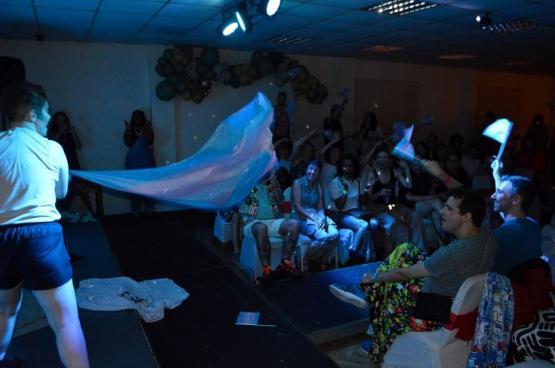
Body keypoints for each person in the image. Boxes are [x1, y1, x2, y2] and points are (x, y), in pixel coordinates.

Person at [331, 163, 495, 365]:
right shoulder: (487, 235)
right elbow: (470, 196)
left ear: (466, 216)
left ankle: (371, 322)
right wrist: (440, 173)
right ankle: (366, 297)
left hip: (433, 308)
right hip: (452, 296)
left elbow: (405, 275)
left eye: (449, 208)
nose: (442, 211)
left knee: (391, 281)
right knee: (406, 250)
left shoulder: (454, 252)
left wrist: (372, 278)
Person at [0, 82, 89, 367]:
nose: (50, 117)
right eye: (46, 111)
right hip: (41, 235)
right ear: (31, 115)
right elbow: (62, 192)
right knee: (65, 322)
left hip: (2, 236)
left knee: (5, 312)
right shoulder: (52, 148)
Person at [239, 173, 300, 287]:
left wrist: (275, 187)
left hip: (272, 221)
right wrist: (254, 189)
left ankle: (285, 264)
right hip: (252, 222)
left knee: (295, 225)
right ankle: (267, 271)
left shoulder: (269, 183)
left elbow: (281, 202)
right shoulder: (249, 182)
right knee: (262, 228)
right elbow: (251, 211)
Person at [490, 159, 542, 275]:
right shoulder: (533, 225)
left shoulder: (499, 235)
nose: (493, 196)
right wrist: (497, 175)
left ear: (516, 200)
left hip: (500, 292)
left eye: (499, 192)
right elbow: (507, 214)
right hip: (524, 290)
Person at [292, 160, 339, 271]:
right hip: (301, 217)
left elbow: (320, 207)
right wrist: (313, 218)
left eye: (316, 170)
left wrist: (322, 219)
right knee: (324, 237)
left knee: (335, 234)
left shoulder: (318, 186)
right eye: (310, 168)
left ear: (319, 173)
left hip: (316, 216)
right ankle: (304, 260)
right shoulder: (297, 183)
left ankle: (323, 260)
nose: (312, 172)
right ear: (306, 169)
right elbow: (298, 207)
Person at [47, 111, 95, 215]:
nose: (62, 122)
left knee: (83, 190)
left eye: (64, 120)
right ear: (55, 121)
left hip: (74, 164)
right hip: (61, 167)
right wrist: (59, 132)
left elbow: (79, 146)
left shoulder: (69, 133)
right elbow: (50, 147)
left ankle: (92, 212)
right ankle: (63, 214)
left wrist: (74, 133)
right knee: (66, 192)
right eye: (59, 120)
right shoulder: (51, 133)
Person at [123, 110, 155, 215]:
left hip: (146, 162)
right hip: (133, 163)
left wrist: (147, 129)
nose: (137, 118)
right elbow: (128, 143)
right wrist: (128, 130)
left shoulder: (147, 129)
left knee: (149, 187)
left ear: (143, 118)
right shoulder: (130, 129)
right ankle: (136, 211)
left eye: (139, 116)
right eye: (135, 117)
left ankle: (150, 211)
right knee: (134, 188)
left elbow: (150, 141)